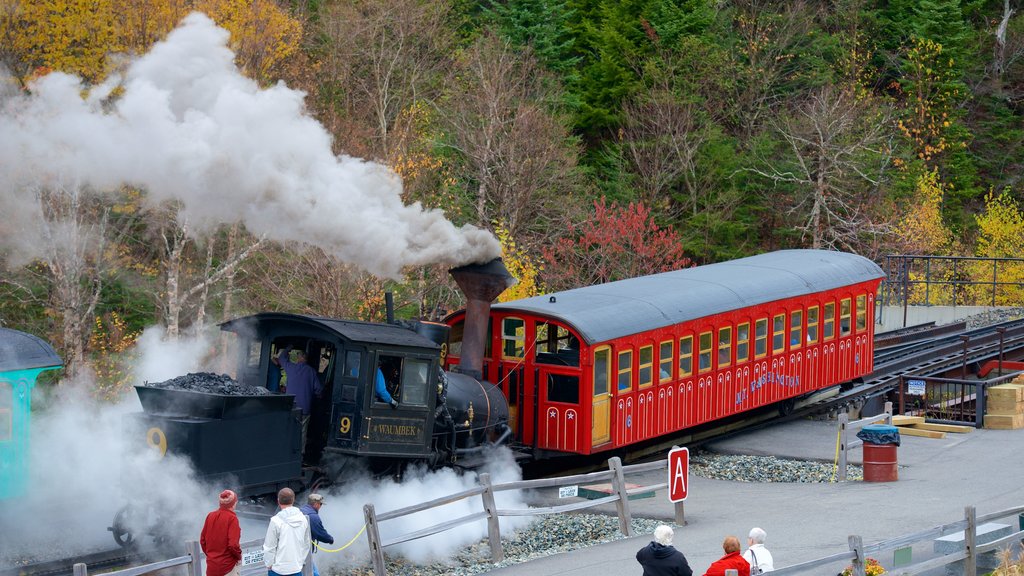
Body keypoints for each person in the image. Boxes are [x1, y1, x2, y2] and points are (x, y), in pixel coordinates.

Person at [274, 346, 323, 455]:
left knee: (289, 429)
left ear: (298, 358)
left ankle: (285, 451)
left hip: (291, 406)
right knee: (302, 431)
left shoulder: (290, 367)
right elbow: (318, 389)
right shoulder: (312, 372)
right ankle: (299, 454)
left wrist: (288, 348)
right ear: (306, 359)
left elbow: (282, 358)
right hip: (305, 408)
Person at [264, 488, 311, 576]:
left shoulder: (275, 521)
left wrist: (269, 563)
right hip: (296, 568)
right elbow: (306, 544)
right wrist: (299, 561)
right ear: (293, 500)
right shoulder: (303, 519)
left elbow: (269, 546)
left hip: (278, 569)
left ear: (278, 501)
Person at [200, 490, 242, 576]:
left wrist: (211, 556)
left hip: (212, 567)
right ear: (233, 504)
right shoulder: (232, 518)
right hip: (227, 568)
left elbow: (203, 541)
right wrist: (238, 557)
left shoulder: (210, 516)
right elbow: (233, 545)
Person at [299, 494, 333, 576]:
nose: (321, 506)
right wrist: (330, 539)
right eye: (320, 504)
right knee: (314, 573)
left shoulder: (301, 510)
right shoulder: (313, 516)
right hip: (304, 550)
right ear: (316, 504)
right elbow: (320, 533)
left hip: (297, 548)